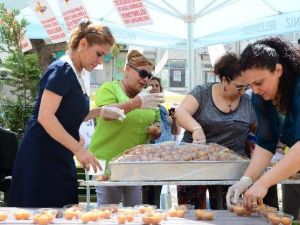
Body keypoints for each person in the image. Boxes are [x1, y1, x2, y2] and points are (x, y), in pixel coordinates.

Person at [8, 20, 125, 208]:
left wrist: (100, 111)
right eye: (99, 54)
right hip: (42, 157)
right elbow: (45, 116)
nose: (100, 61)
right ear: (83, 44)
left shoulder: (79, 74)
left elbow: (68, 114)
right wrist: (79, 150)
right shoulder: (62, 70)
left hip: (60, 155)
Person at [226, 37, 300, 219]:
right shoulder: (260, 97)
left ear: (278, 70)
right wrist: (246, 180)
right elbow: (266, 142)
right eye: (250, 85)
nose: (255, 90)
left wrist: (264, 183)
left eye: (259, 83)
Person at [175, 53, 256, 209]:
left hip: (231, 168)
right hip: (195, 165)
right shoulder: (202, 92)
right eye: (239, 87)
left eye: (247, 87)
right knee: (192, 213)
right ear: (224, 80)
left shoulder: (248, 102)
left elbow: (256, 129)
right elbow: (181, 112)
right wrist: (196, 128)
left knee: (228, 212)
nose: (243, 91)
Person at [89, 50, 164, 207]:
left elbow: (156, 120)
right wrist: (136, 103)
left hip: (134, 164)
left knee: (135, 213)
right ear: (127, 70)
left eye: (149, 76)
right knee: (108, 215)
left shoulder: (146, 96)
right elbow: (106, 114)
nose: (145, 79)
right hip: (105, 162)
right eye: (142, 73)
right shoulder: (109, 88)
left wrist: (156, 129)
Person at [143, 76, 180, 207]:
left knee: (157, 189)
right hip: (149, 154)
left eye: (156, 86)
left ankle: (154, 213)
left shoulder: (163, 109)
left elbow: (176, 132)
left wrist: (175, 119)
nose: (154, 88)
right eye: (151, 85)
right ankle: (149, 213)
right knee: (147, 189)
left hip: (163, 154)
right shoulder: (144, 108)